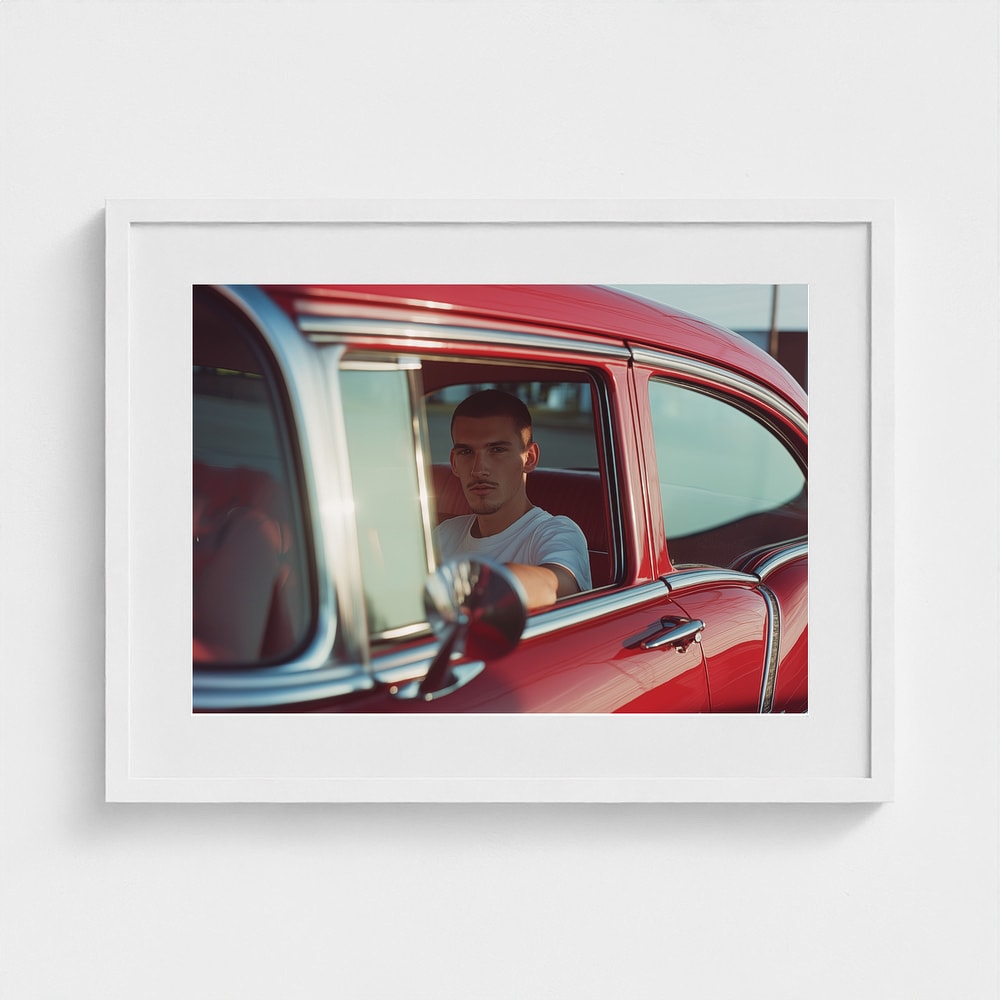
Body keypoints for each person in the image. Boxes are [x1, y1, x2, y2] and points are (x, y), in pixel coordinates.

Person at [434, 389, 592, 610]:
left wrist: (475, 589)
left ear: (529, 458)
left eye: (497, 450)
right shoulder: (444, 534)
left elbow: (555, 584)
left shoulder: (556, 532)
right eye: (466, 452)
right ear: (453, 463)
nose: (479, 469)